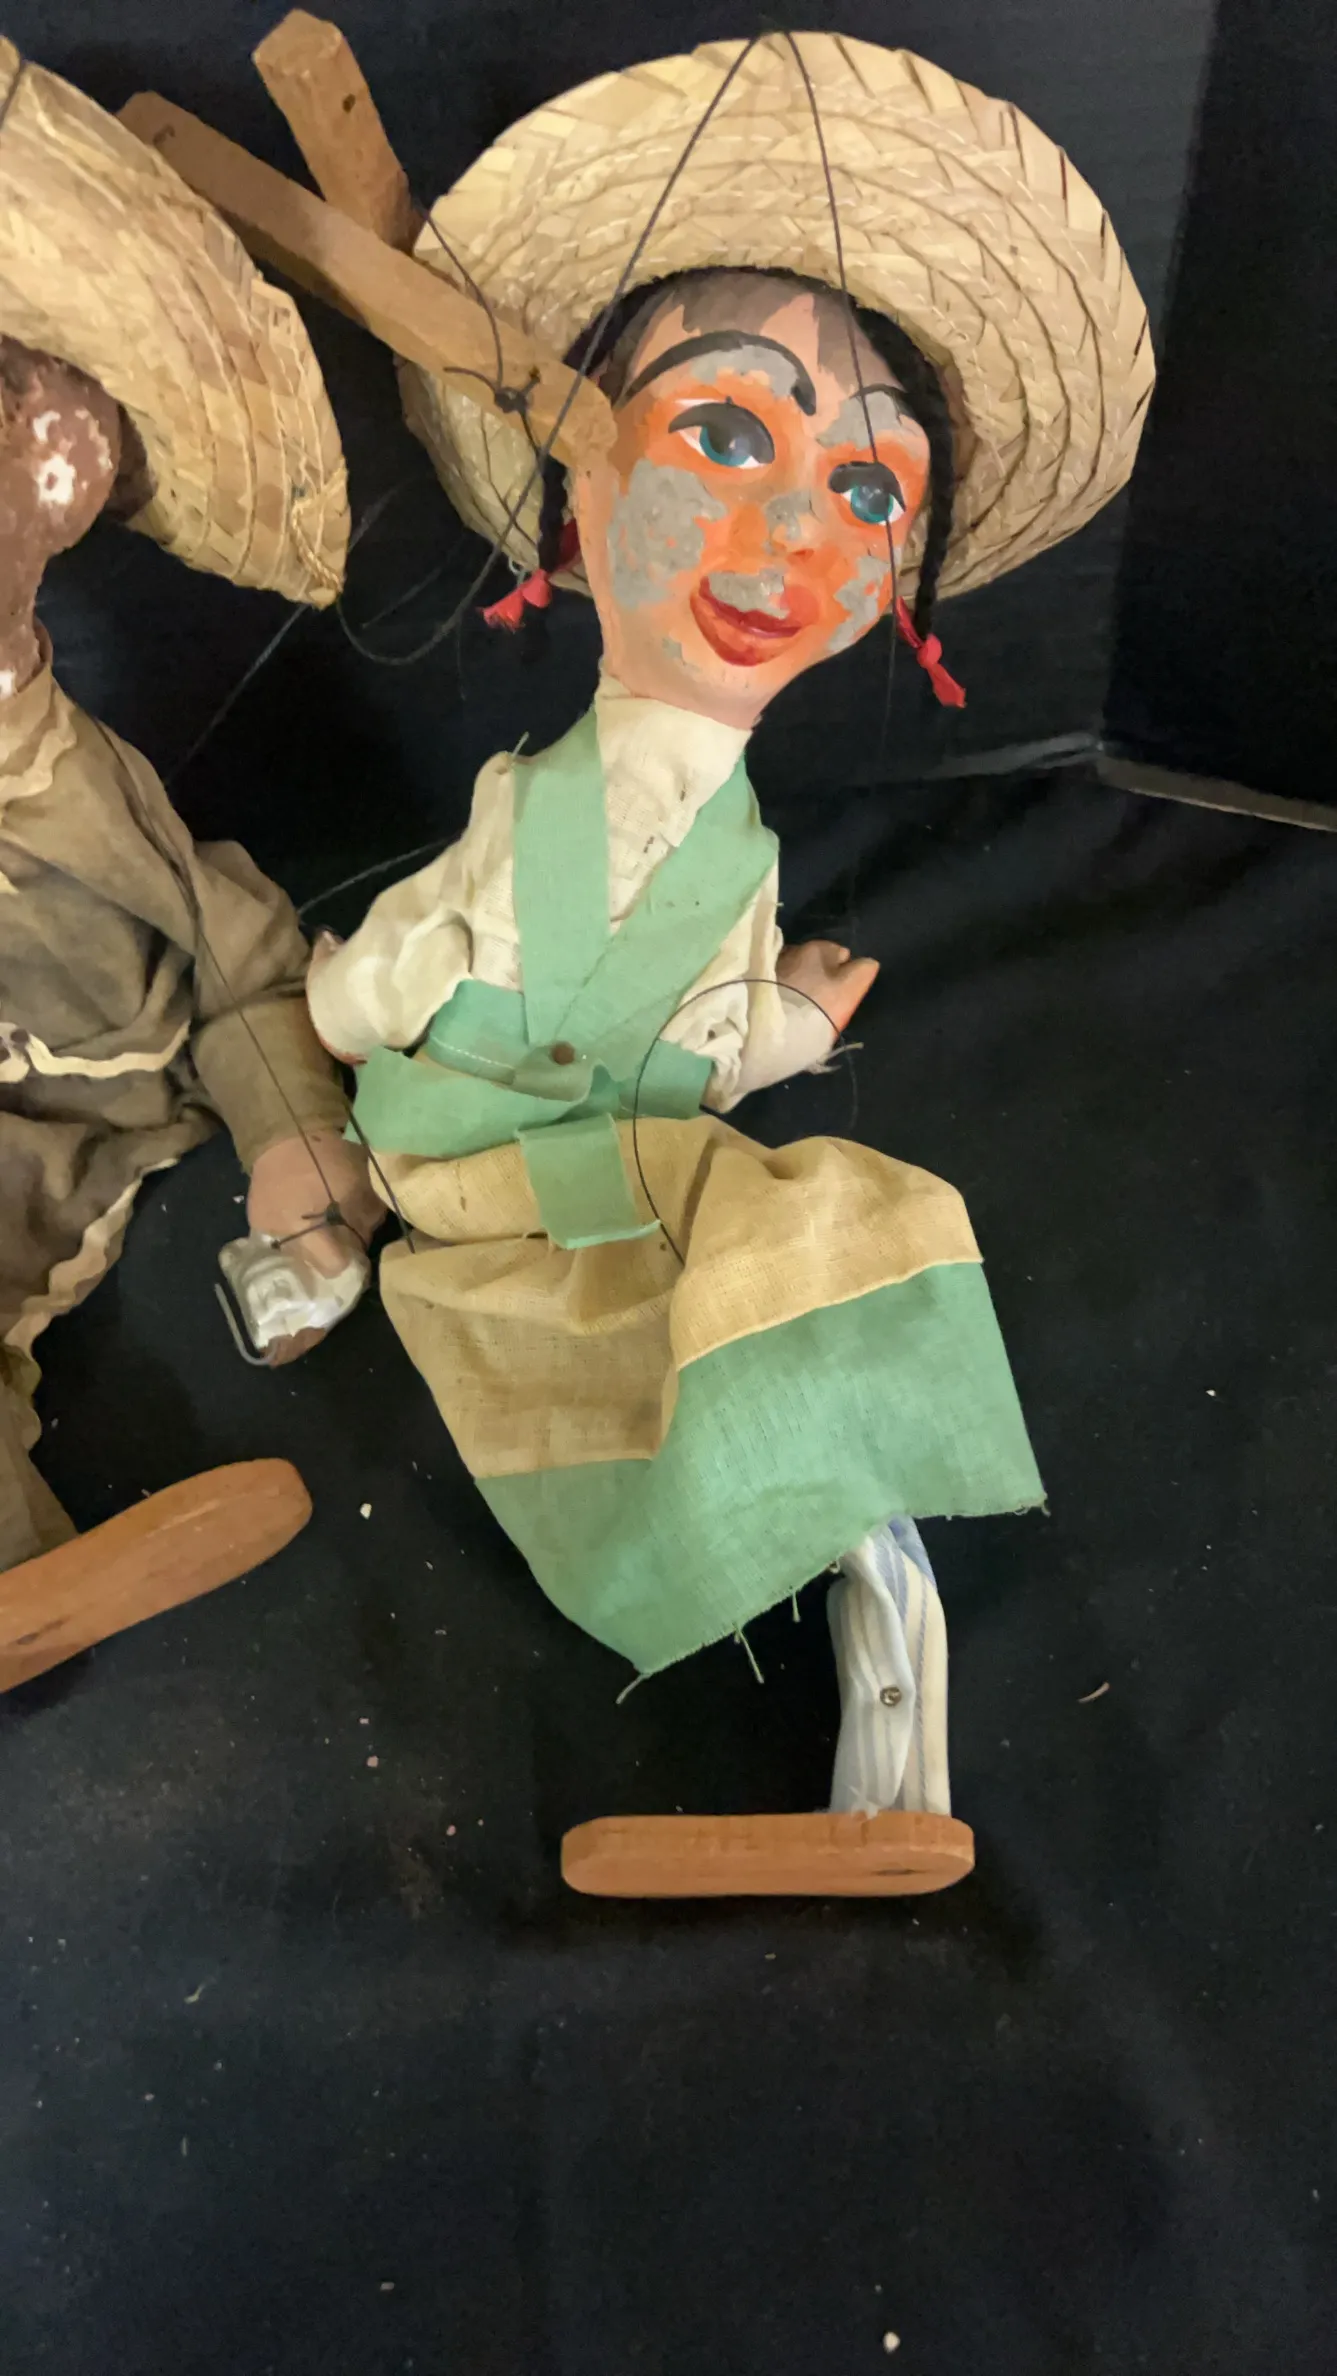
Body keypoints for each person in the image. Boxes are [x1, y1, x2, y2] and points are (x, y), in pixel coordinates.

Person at [308, 35, 1154, 1896]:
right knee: (756, 1288)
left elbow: (685, 1039)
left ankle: (874, 1659)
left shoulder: (736, 839)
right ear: (578, 495)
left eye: (868, 489)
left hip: (636, 1146)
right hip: (505, 1180)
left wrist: (783, 1018)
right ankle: (838, 1614)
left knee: (814, 1251)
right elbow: (376, 994)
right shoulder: (532, 809)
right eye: (727, 435)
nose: (793, 537)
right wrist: (354, 1006)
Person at [0, 43, 379, 1645]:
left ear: (51, 477)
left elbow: (228, 948)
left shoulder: (59, 783)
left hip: (57, 1092)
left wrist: (292, 1136)